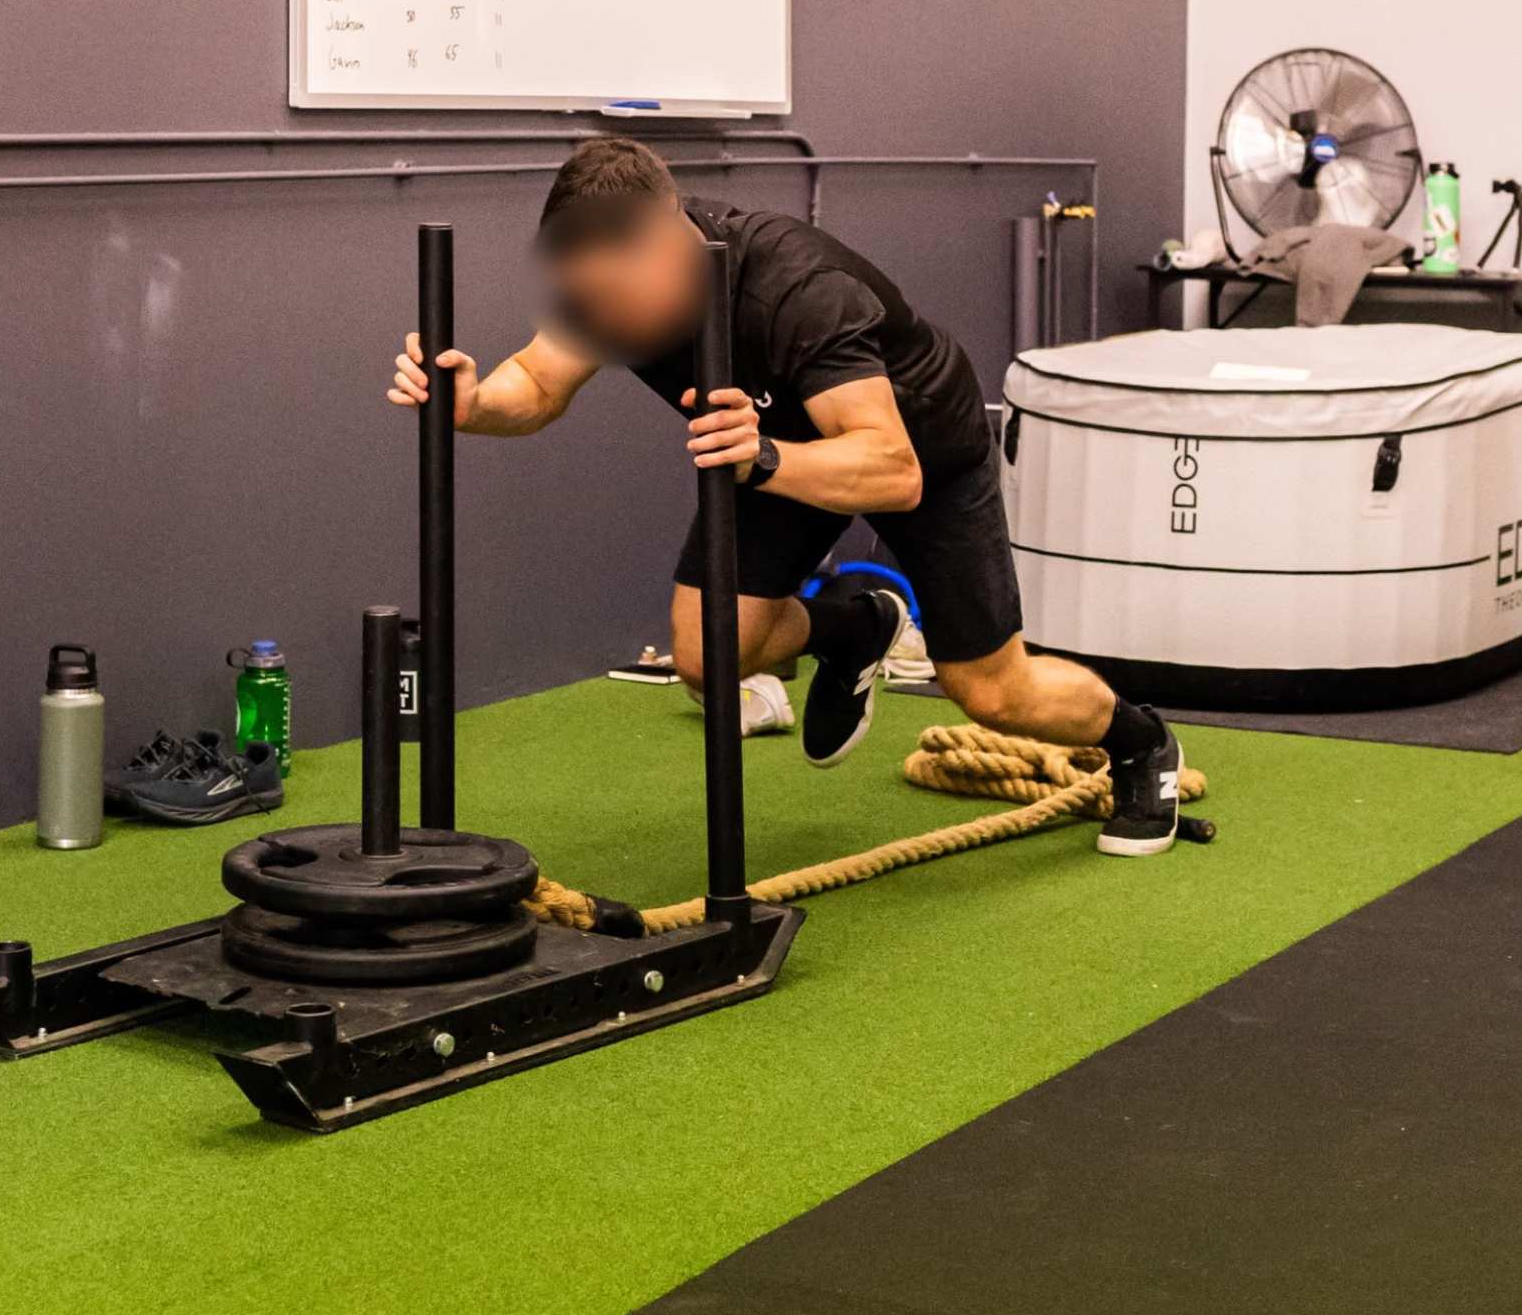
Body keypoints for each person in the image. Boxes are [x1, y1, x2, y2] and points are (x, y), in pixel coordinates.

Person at [386, 138, 1187, 855]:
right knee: (707, 655)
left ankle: (1142, 740)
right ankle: (854, 625)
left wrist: (766, 456)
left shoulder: (799, 289)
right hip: (765, 443)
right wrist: (475, 404)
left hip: (914, 447)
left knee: (991, 690)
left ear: (670, 241)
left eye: (622, 297)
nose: (612, 323)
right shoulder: (608, 279)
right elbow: (536, 378)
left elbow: (892, 469)